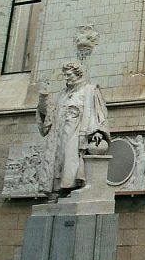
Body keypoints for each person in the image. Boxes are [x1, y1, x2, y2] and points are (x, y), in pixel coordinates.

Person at [37, 61, 110, 199]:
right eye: (64, 75)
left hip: (76, 135)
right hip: (59, 135)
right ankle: (59, 191)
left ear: (78, 74)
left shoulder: (90, 91)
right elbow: (48, 117)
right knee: (58, 162)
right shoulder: (61, 95)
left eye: (69, 75)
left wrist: (97, 132)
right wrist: (43, 95)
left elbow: (98, 114)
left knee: (71, 163)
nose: (66, 78)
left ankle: (72, 188)